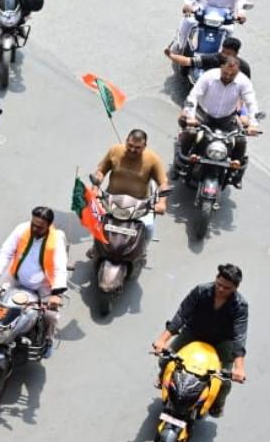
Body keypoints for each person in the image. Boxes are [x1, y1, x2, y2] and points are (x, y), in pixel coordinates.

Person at [151, 264, 249, 417]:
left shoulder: (240, 306)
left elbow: (239, 336)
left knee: (224, 382)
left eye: (227, 288)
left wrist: (239, 368)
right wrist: (162, 340)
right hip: (194, 332)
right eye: (219, 284)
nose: (221, 290)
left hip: (222, 341)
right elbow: (181, 315)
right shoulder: (200, 291)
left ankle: (218, 404)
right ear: (216, 279)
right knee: (165, 359)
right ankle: (163, 377)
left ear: (236, 287)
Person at [0, 207, 68, 357]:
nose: (35, 228)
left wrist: (56, 294)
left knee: (50, 316)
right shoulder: (22, 229)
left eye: (40, 227)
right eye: (33, 224)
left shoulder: (56, 240)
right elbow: (6, 252)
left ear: (49, 225)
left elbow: (60, 268)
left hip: (43, 286)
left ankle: (48, 341)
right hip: (16, 278)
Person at [175, 56, 260, 188]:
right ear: (221, 68)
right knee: (190, 133)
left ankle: (236, 174)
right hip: (203, 115)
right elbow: (194, 96)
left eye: (232, 74)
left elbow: (251, 102)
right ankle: (179, 165)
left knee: (240, 140)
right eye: (225, 73)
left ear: (237, 73)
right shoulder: (209, 76)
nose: (228, 76)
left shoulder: (243, 82)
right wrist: (191, 116)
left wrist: (253, 123)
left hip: (226, 118)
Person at [91, 129, 169, 231]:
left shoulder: (153, 159)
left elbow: (163, 184)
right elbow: (101, 171)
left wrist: (162, 203)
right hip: (111, 201)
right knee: (97, 224)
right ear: (126, 141)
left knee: (148, 228)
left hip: (139, 206)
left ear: (145, 146)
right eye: (130, 145)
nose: (132, 150)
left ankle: (142, 246)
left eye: (137, 148)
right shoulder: (115, 151)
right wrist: (95, 187)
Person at [164, 35, 252, 79]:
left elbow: (247, 88)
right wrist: (171, 55)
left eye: (228, 54)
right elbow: (187, 61)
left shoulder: (244, 67)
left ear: (236, 54)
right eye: (223, 51)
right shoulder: (213, 59)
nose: (224, 55)